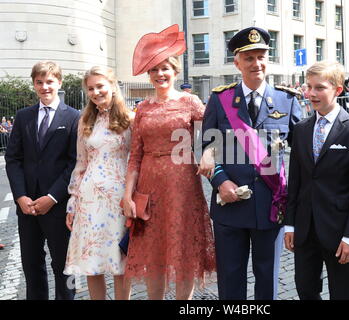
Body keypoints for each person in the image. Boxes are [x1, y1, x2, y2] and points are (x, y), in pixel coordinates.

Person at [199, 26, 301, 300]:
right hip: (229, 206)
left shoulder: (287, 100)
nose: (256, 63)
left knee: (267, 280)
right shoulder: (220, 99)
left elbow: (304, 156)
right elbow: (207, 148)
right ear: (237, 62)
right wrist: (220, 182)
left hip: (270, 205)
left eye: (261, 57)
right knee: (230, 280)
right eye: (249, 58)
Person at [122, 24, 215, 300]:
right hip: (149, 186)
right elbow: (135, 156)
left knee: (182, 248)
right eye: (154, 70)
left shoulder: (191, 102)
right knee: (154, 253)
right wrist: (127, 196)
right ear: (149, 75)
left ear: (175, 72)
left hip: (182, 186)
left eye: (164, 68)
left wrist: (209, 153)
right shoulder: (143, 109)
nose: (159, 74)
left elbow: (212, 138)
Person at [284, 61, 349, 300]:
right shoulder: (301, 129)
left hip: (339, 231)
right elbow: (296, 181)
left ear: (338, 90)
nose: (311, 93)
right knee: (305, 289)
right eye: (309, 87)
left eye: (319, 88)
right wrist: (290, 224)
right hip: (305, 229)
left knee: (342, 293)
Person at [5, 61, 79, 300]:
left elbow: (74, 163)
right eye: (39, 82)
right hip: (27, 207)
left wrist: (52, 197)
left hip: (57, 205)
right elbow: (14, 158)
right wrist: (20, 196)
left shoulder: (74, 117)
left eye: (49, 81)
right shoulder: (23, 116)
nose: (45, 87)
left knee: (64, 266)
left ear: (59, 82)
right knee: (31, 265)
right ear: (34, 84)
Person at [63, 66, 133, 300]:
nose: (96, 92)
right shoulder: (85, 121)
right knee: (92, 263)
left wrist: (134, 196)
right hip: (89, 199)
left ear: (112, 86)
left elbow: (138, 160)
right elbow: (80, 163)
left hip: (119, 197)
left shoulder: (130, 118)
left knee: (120, 260)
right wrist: (72, 201)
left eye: (100, 86)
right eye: (91, 88)